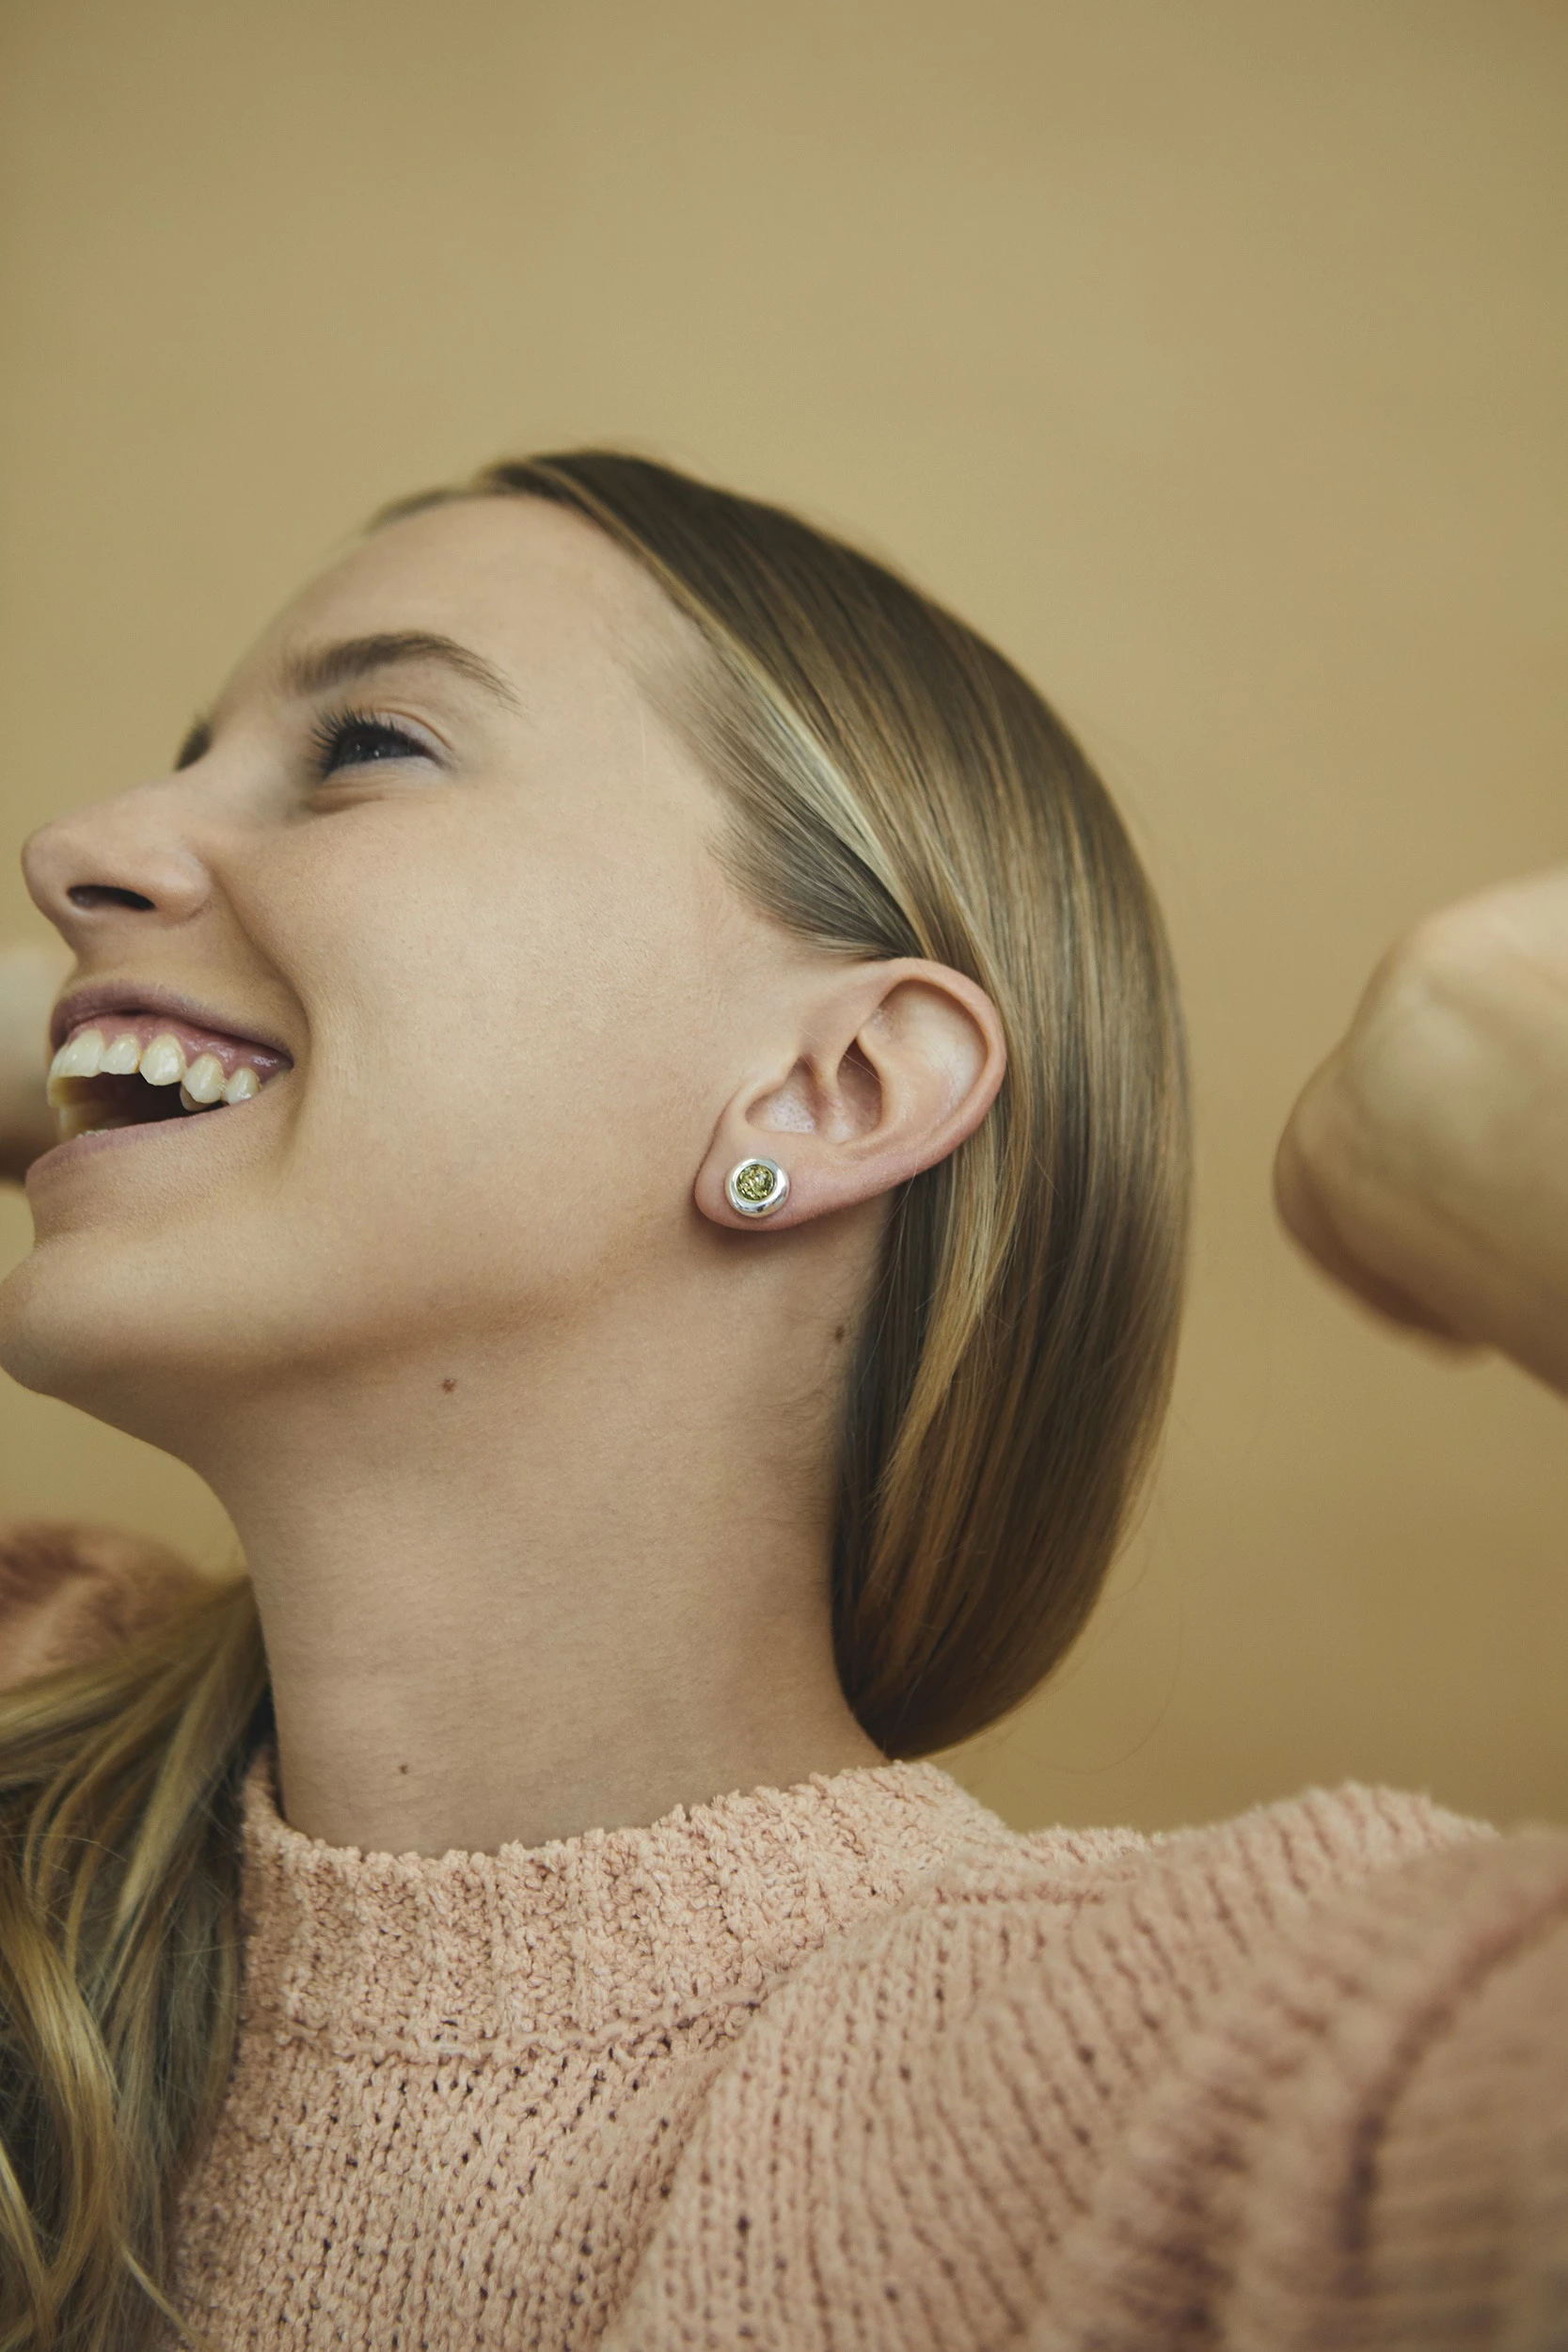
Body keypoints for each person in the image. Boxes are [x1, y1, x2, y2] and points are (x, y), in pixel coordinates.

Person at [0, 453, 1560, 2352]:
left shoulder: (1185, 2070)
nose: (73, 842)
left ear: (829, 1088)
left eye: (369, 747)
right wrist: (142, 1036)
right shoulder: (45, 1768)